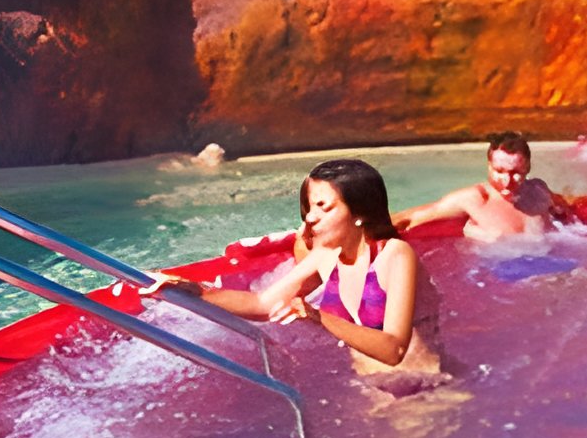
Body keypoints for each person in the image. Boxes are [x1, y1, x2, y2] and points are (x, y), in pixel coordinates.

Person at [166, 157, 434, 373]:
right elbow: (263, 304)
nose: (310, 218)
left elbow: (394, 350)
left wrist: (318, 317)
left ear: (359, 212)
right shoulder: (325, 256)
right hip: (371, 391)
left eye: (323, 207)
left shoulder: (394, 255)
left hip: (424, 392)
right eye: (308, 207)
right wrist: (196, 290)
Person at [397, 132, 567, 243]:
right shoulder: (475, 199)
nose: (507, 181)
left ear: (528, 168)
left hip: (549, 270)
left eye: (516, 173)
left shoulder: (539, 190)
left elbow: (567, 212)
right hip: (499, 279)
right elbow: (410, 218)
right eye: (499, 171)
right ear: (489, 166)